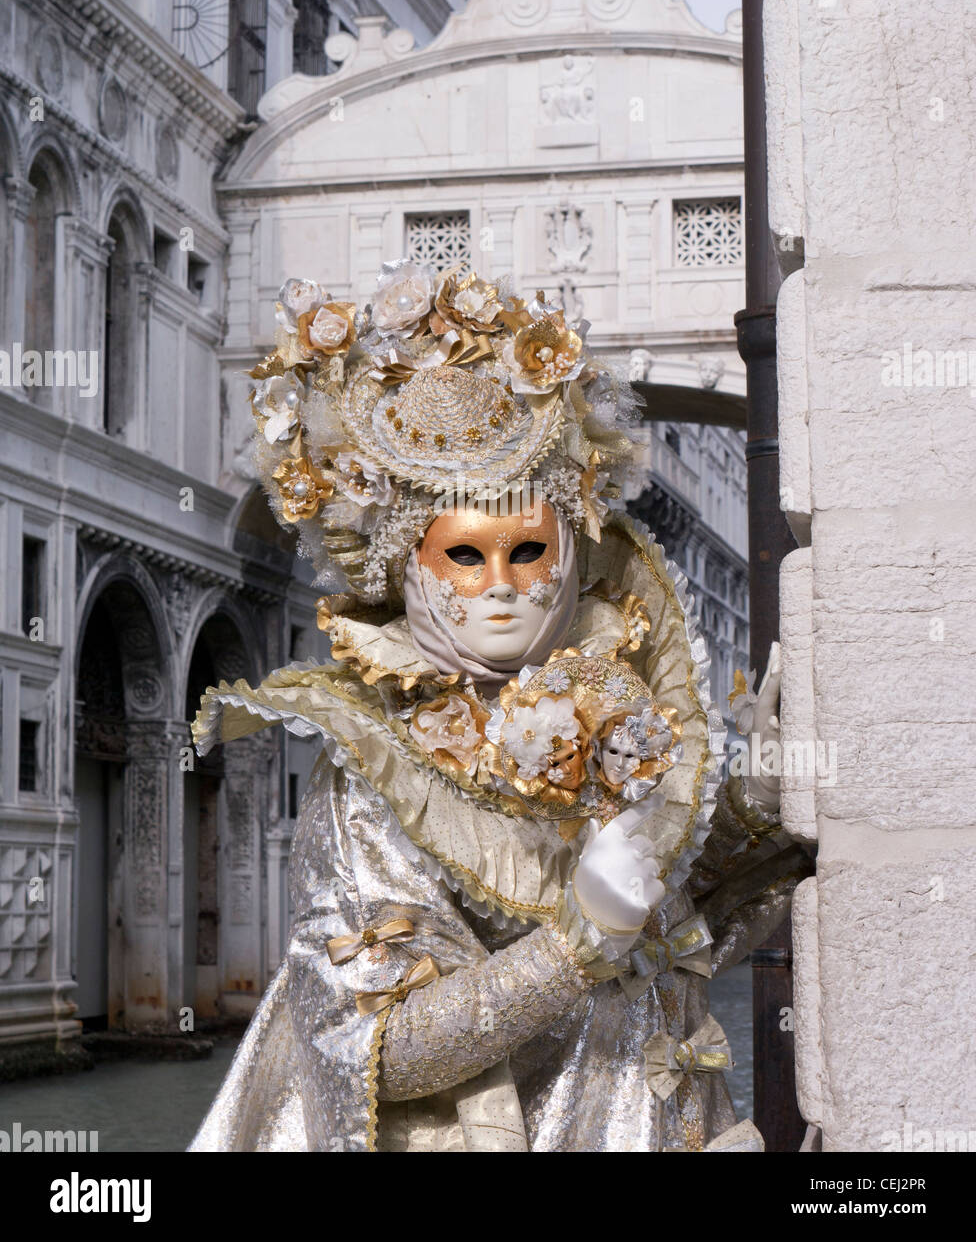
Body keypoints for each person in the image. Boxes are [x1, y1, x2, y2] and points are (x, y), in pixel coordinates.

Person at [188, 261, 810, 1152]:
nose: (504, 590)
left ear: (571, 546)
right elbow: (372, 1045)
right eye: (464, 559)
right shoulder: (371, 772)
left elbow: (689, 939)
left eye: (527, 551)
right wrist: (573, 945)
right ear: (405, 564)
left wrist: (765, 800)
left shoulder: (620, 718)